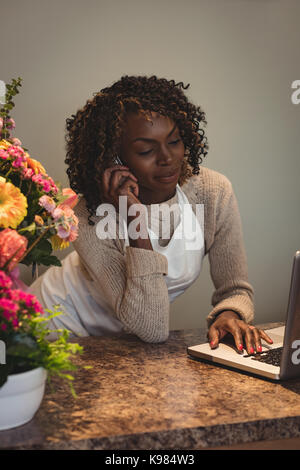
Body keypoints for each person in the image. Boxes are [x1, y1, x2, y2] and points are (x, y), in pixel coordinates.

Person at [30, 75, 273, 354]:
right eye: (146, 150)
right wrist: (134, 217)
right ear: (114, 157)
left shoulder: (212, 193)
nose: (167, 158)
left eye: (174, 141)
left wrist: (229, 315)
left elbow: (236, 290)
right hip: (53, 324)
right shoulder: (89, 215)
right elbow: (151, 329)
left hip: (120, 341)